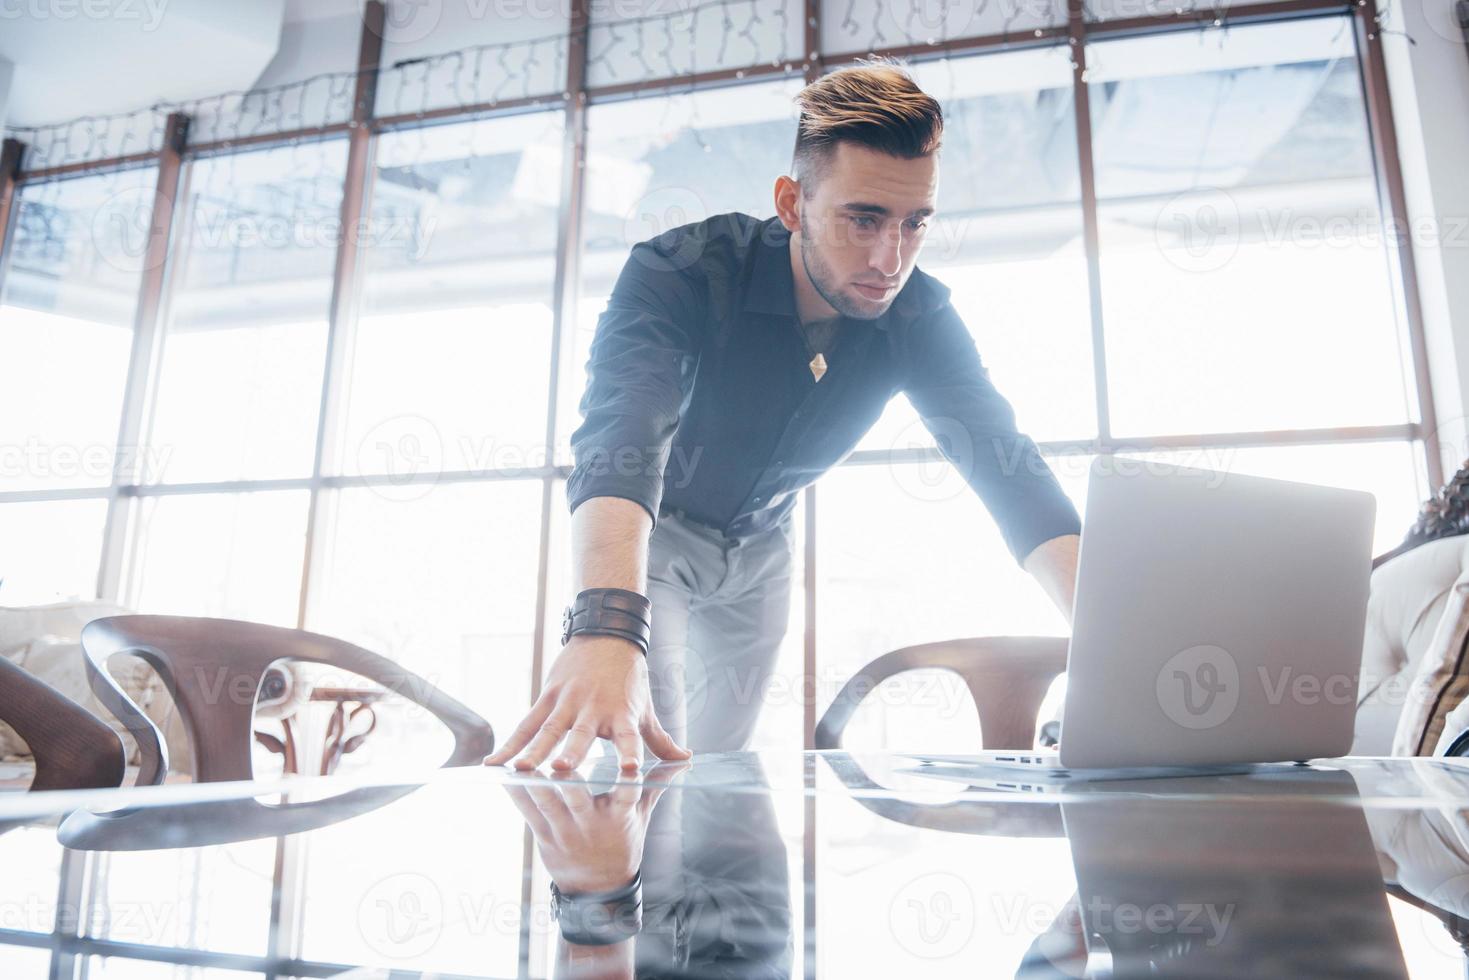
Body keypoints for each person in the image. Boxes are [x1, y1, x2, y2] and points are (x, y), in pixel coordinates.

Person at [484, 56, 1081, 773]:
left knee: (719, 765)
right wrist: (604, 625)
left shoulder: (920, 314)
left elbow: (1004, 464)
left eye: (913, 223)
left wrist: (1111, 646)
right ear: (793, 204)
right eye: (862, 219)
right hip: (655, 535)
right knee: (646, 756)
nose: (889, 260)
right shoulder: (678, 271)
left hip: (764, 544)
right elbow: (623, 430)